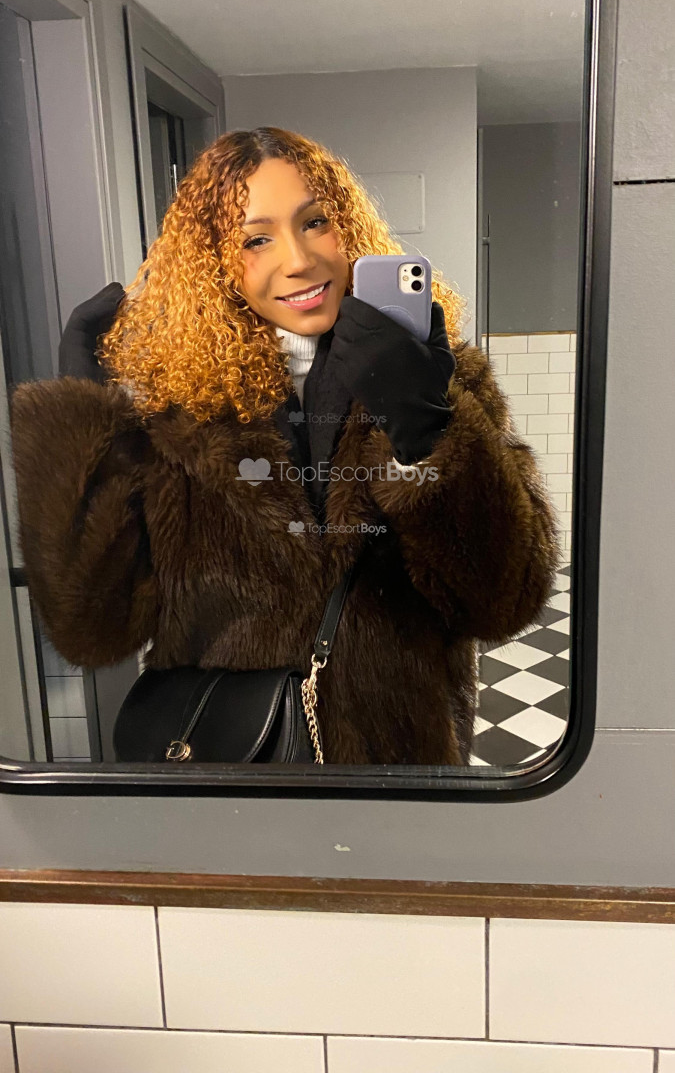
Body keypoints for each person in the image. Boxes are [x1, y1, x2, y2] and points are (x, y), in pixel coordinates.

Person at [10, 126, 561, 765]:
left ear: (348, 228)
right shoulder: (174, 412)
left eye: (315, 222)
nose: (298, 260)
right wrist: (83, 427)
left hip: (399, 772)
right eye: (255, 239)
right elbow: (91, 629)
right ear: (214, 262)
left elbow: (505, 602)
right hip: (234, 774)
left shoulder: (439, 378)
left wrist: (426, 431)